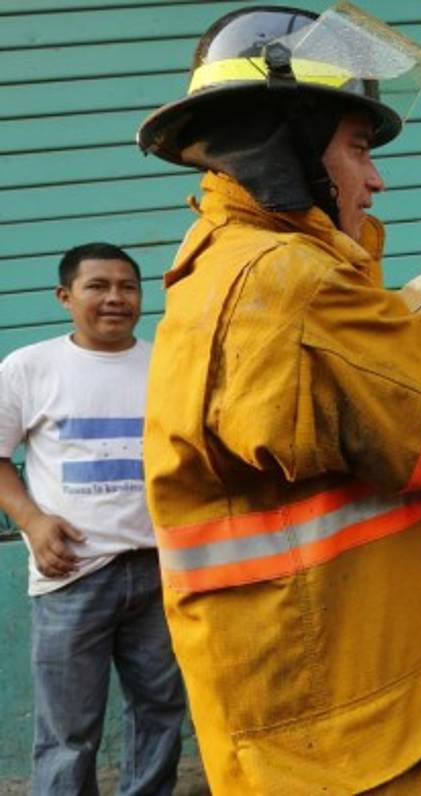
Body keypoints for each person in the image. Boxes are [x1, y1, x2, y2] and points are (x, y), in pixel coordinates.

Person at [135, 6, 421, 793]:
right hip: (359, 739)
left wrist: (416, 313)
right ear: (289, 143)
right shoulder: (292, 284)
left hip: (330, 711)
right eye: (359, 148)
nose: (375, 179)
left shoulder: (238, 268)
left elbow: (344, 391)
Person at [0, 243, 186, 794]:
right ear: (65, 296)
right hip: (72, 573)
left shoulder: (167, 364)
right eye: (97, 286)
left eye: (127, 287)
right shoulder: (29, 368)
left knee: (160, 711)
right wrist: (32, 522)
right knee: (68, 730)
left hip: (160, 569)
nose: (115, 299)